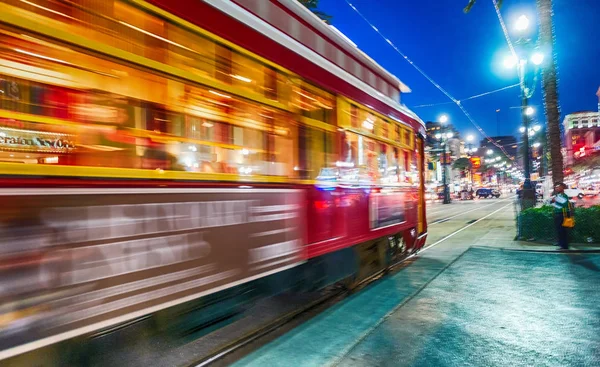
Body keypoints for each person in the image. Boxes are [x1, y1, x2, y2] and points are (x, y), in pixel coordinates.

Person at [551, 183, 572, 250]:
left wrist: (555, 200)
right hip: (558, 214)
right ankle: (561, 243)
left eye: (558, 187)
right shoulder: (558, 195)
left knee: (563, 230)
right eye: (556, 187)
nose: (556, 188)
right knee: (559, 230)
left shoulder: (564, 195)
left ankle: (564, 246)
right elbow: (555, 204)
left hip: (562, 214)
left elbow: (564, 204)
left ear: (562, 188)